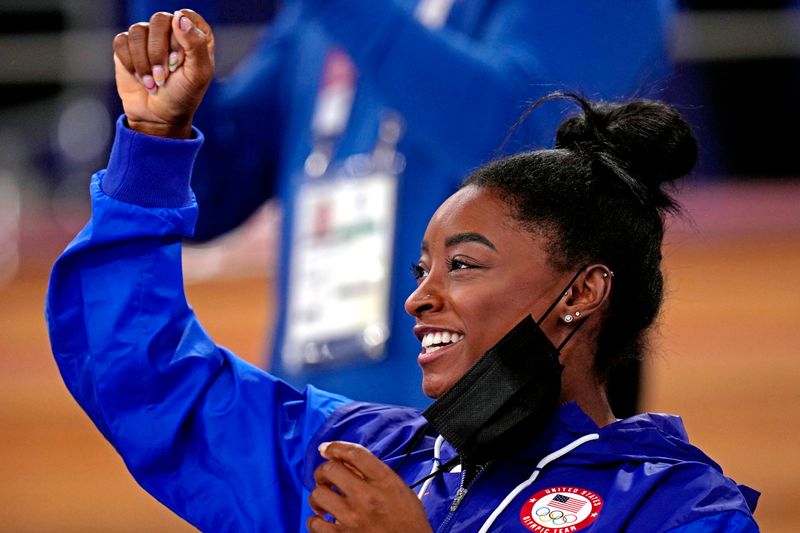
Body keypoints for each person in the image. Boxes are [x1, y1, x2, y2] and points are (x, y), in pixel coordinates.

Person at [46, 11, 759, 531]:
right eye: (424, 267)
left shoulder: (678, 507)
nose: (418, 296)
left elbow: (519, 139)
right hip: (342, 384)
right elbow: (149, 380)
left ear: (582, 291)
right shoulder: (359, 461)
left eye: (463, 265)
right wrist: (150, 149)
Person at [120, 0, 678, 411]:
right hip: (317, 427)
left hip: (498, 446)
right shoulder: (321, 18)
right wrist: (165, 104)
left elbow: (532, 144)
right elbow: (211, 197)